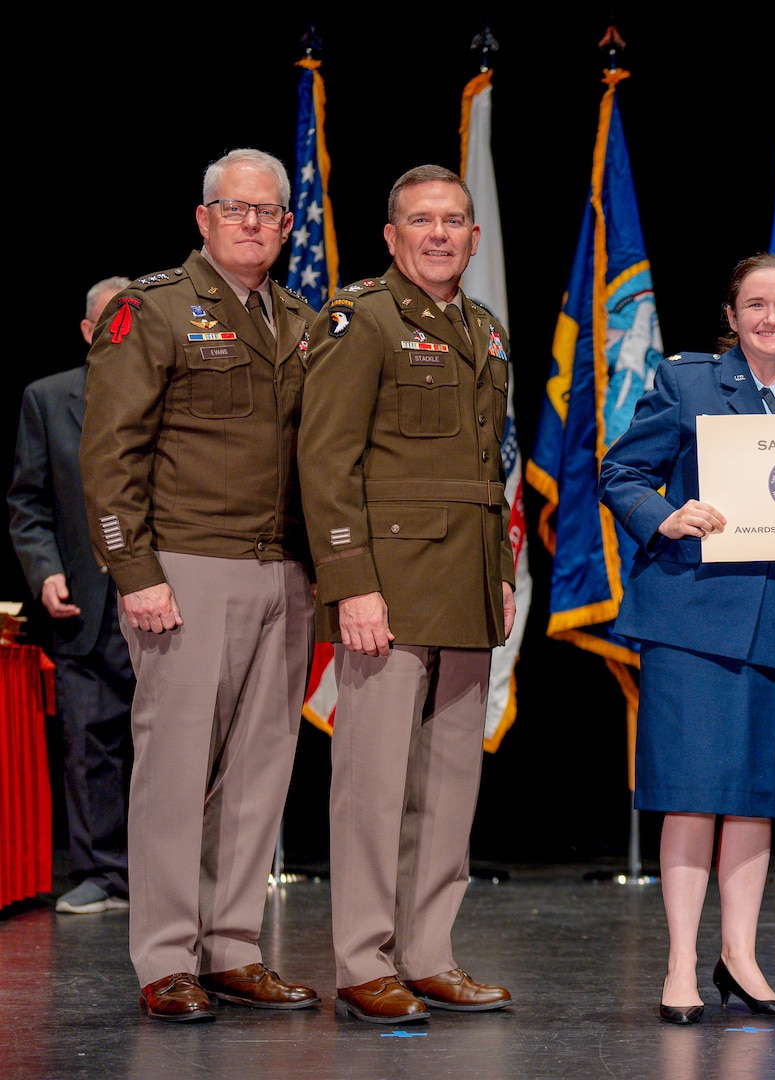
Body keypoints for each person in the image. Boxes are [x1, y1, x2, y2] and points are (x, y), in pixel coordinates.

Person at [79, 149, 320, 1022]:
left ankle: (232, 947)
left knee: (262, 773)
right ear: (204, 217)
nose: (253, 223)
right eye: (236, 208)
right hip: (186, 568)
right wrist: (132, 570)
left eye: (269, 212)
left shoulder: (300, 318)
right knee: (176, 772)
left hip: (287, 571)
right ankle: (165, 958)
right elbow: (109, 456)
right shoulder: (152, 310)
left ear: (288, 227)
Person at [598, 253, 775, 1025]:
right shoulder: (689, 385)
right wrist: (665, 516)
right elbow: (622, 473)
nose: (772, 318)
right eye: (756, 304)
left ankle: (741, 958)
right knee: (690, 797)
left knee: (756, 799)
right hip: (692, 619)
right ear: (732, 314)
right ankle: (681, 963)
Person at [298, 164, 517, 1025]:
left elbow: (489, 475)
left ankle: (428, 954)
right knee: (372, 786)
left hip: (464, 585)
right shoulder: (361, 320)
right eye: (420, 221)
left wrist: (499, 574)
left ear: (472, 237)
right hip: (385, 588)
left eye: (454, 221)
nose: (439, 234)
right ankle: (362, 962)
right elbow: (325, 461)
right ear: (391, 237)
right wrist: (352, 585)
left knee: (450, 784)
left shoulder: (485, 330)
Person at [9, 276, 136, 915]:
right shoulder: (48, 398)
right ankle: (102, 875)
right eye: (111, 321)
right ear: (89, 331)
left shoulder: (173, 394)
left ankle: (174, 878)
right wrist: (45, 569)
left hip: (164, 599)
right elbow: (27, 502)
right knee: (90, 744)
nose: (123, 330)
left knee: (173, 747)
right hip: (84, 602)